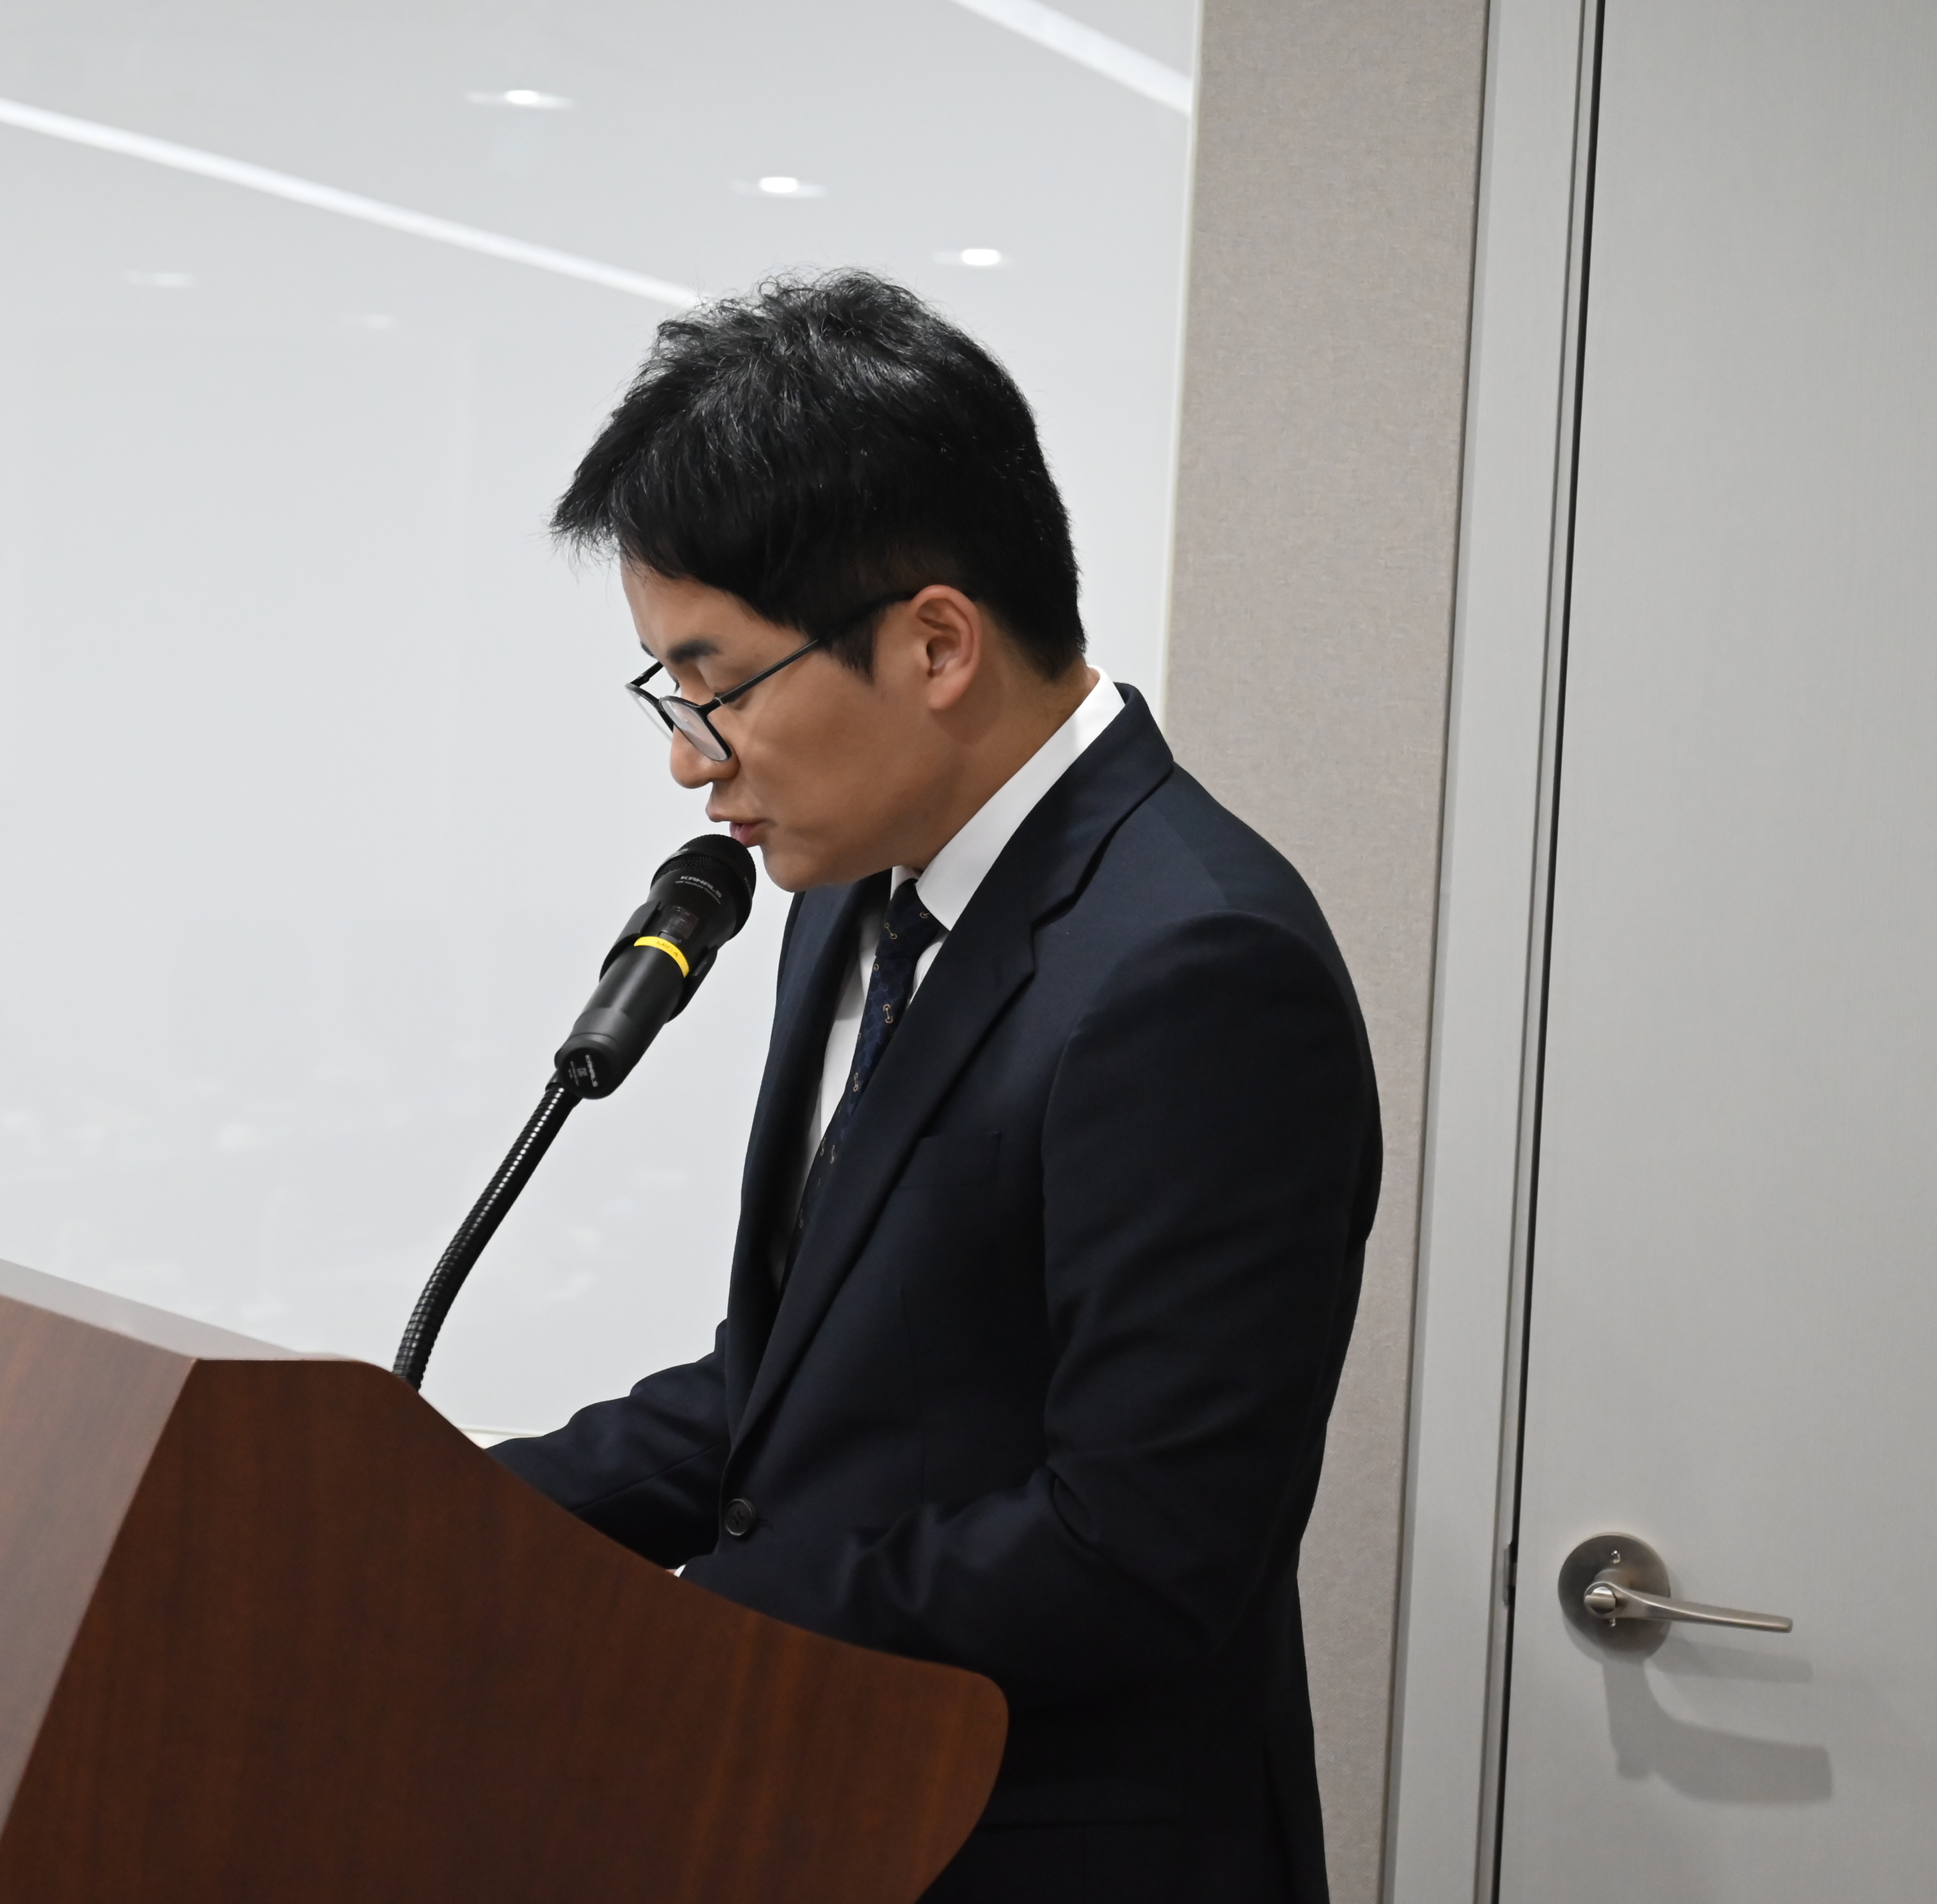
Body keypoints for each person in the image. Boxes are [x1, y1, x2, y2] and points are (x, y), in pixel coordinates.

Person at [493, 270, 1382, 1903]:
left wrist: (686, 1628)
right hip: (825, 1812)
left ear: (936, 643)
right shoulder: (850, 893)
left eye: (716, 683)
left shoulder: (1195, 966)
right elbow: (798, 1391)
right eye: (668, 691)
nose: (689, 757)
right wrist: (446, 1522)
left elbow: (1139, 1546)